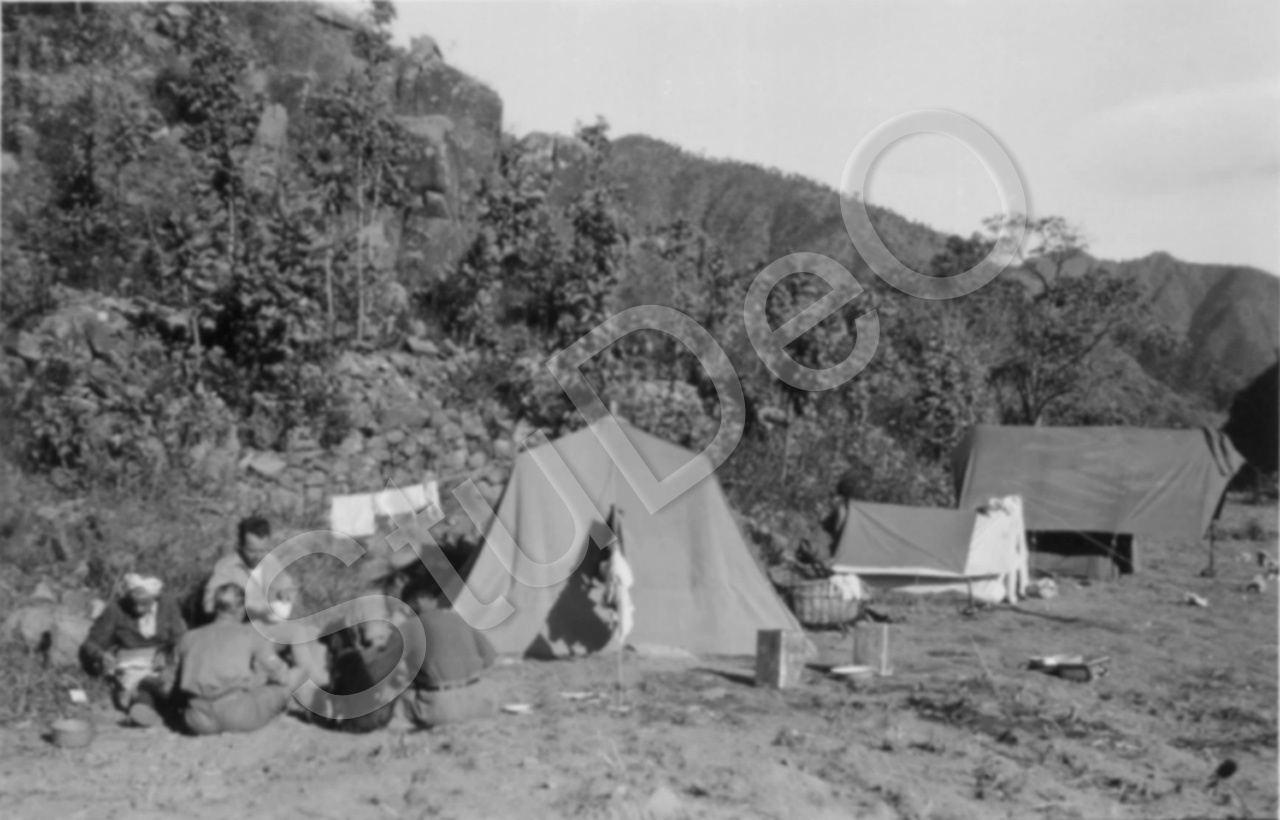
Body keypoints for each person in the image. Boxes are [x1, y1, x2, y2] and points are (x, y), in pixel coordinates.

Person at [202, 516, 330, 690]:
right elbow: (208, 604)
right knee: (297, 634)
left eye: (263, 550)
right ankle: (317, 685)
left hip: (268, 626)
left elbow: (287, 585)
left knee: (312, 633)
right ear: (240, 545)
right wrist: (249, 606)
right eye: (252, 550)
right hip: (241, 631)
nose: (258, 556)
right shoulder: (226, 567)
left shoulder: (269, 561)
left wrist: (286, 594)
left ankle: (322, 679)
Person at [171, 583, 309, 735]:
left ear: (216, 607)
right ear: (241, 609)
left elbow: (171, 681)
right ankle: (308, 711)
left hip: (197, 719)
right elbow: (281, 675)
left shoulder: (188, 637)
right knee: (297, 674)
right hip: (238, 715)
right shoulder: (250, 635)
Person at [80, 572, 187, 727]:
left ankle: (162, 701)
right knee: (134, 687)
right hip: (132, 662)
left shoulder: (167, 605)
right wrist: (101, 655)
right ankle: (144, 708)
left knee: (170, 681)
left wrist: (168, 656)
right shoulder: (116, 609)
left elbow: (180, 637)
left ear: (155, 598)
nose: (138, 608)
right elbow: (91, 643)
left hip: (163, 659)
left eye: (144, 603)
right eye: (134, 603)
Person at [396, 571, 498, 730]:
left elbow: (386, 669)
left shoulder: (410, 626)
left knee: (395, 699)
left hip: (441, 708)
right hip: (481, 703)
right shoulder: (459, 619)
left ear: (417, 601)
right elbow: (490, 658)